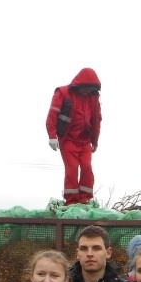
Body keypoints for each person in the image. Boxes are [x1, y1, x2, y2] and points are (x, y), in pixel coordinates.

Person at [45, 68, 101, 205]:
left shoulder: (93, 99)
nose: (86, 91)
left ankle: (85, 199)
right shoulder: (63, 93)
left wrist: (95, 141)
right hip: (68, 139)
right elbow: (53, 114)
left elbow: (96, 120)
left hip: (85, 141)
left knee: (87, 168)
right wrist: (52, 135)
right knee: (72, 170)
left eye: (89, 88)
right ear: (78, 85)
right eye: (85, 88)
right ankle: (71, 201)